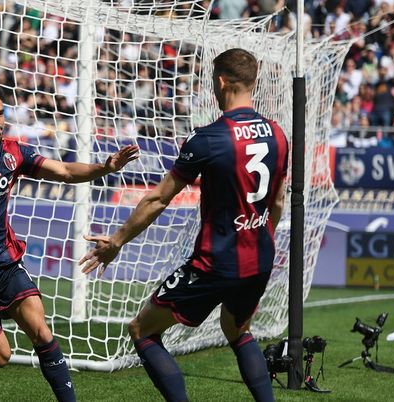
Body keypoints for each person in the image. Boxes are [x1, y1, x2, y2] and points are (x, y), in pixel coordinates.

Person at [80, 48, 288, 402]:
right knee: (238, 330)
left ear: (220, 82)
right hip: (260, 258)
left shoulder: (208, 137)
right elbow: (279, 203)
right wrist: (258, 237)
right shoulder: (278, 134)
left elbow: (158, 199)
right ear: (253, 83)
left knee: (142, 330)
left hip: (216, 262)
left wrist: (116, 241)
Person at [0, 84, 139, 402]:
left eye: (1, 113)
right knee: (0, 357)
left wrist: (105, 169)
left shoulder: (14, 152)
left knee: (41, 331)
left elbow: (66, 171)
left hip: (4, 260)